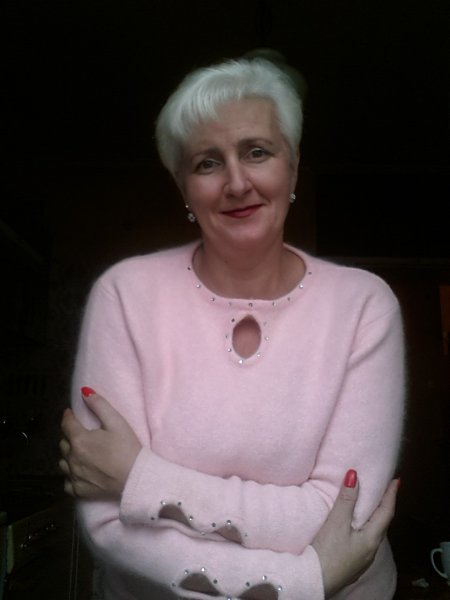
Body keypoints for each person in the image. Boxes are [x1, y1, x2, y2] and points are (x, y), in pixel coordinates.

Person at [59, 56, 405, 599]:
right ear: (183, 187)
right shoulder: (124, 295)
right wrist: (302, 582)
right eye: (207, 163)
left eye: (257, 152)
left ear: (293, 166)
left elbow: (343, 516)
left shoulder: (365, 305)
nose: (237, 182)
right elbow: (107, 521)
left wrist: (141, 479)